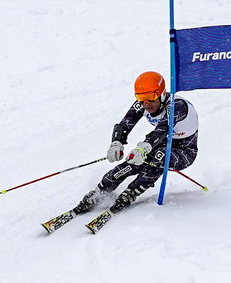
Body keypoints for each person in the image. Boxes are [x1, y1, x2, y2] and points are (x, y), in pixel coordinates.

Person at [74, 70, 198, 213]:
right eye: (141, 97)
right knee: (133, 161)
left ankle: (132, 192)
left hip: (185, 151)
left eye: (150, 97)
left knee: (159, 156)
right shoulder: (142, 104)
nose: (146, 103)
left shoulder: (177, 106)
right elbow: (124, 125)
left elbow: (163, 129)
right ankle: (100, 191)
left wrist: (143, 148)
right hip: (160, 143)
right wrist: (116, 142)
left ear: (162, 94)